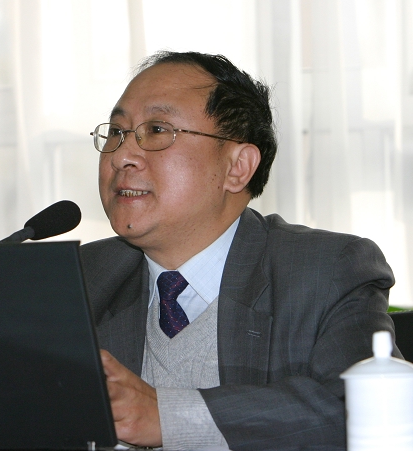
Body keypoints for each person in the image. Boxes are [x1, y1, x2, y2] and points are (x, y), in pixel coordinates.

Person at [80, 51, 396, 451]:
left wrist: (167, 417)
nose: (122, 155)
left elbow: (362, 412)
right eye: (116, 131)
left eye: (157, 130)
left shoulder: (327, 271)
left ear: (237, 167)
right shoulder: (82, 278)